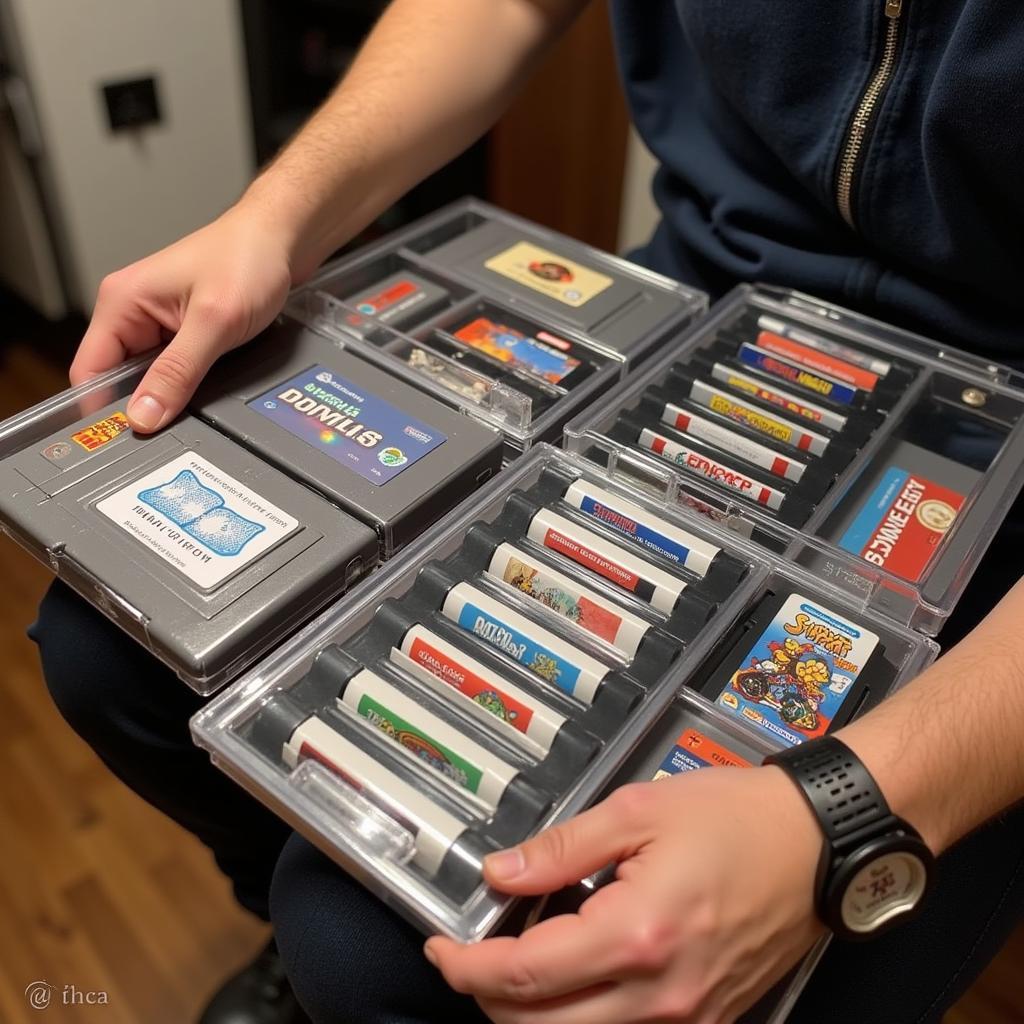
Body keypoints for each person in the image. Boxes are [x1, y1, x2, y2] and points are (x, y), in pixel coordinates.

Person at [32, 1, 1024, 1022]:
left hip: (999, 456)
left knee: (364, 952)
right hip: (695, 300)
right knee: (101, 647)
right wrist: (276, 213)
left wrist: (847, 809)